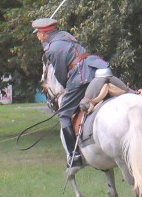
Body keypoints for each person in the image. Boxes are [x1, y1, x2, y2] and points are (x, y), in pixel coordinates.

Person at [32, 17, 131, 167]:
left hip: (80, 77)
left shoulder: (52, 49)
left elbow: (60, 74)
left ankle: (74, 156)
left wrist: (68, 86)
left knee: (64, 115)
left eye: (38, 33)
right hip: (95, 68)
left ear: (44, 33)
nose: (37, 36)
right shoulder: (65, 35)